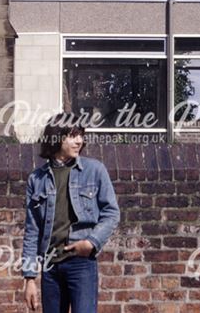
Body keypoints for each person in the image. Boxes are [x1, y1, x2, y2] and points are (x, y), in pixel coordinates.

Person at [21, 114, 119, 312]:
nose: (79, 141)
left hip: (81, 264)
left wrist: (92, 242)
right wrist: (29, 277)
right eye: (73, 135)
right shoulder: (37, 179)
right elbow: (32, 230)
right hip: (50, 267)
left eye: (81, 135)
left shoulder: (95, 170)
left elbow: (111, 213)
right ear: (57, 137)